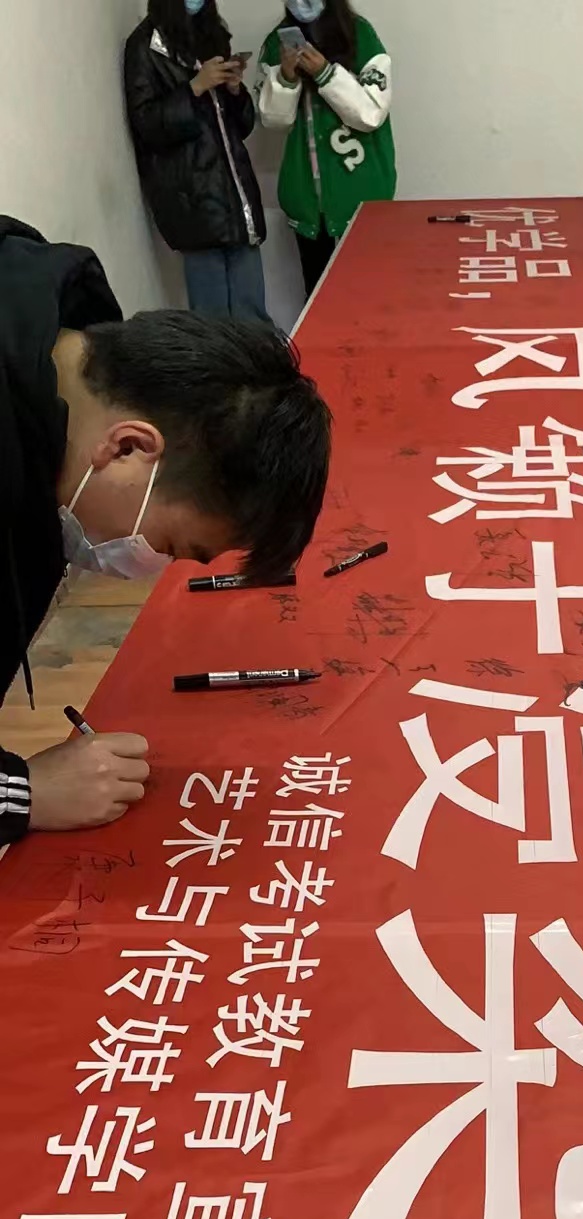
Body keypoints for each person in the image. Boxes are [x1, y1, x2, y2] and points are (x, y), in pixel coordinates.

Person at [0, 217, 331, 846]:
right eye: (171, 546)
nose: (148, 565)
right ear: (128, 447)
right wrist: (23, 793)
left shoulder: (53, 362)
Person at [124, 0, 269, 318]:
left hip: (237, 195)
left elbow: (240, 126)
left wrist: (234, 91)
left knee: (253, 316)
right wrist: (194, 87)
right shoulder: (145, 45)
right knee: (211, 320)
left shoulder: (212, 34)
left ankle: (258, 354)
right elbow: (147, 125)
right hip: (193, 201)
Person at [258, 0, 395, 299]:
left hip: (361, 195)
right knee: (318, 300)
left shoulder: (360, 34)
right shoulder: (277, 42)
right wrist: (287, 77)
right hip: (306, 202)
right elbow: (274, 120)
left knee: (366, 296)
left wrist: (325, 73)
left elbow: (371, 113)